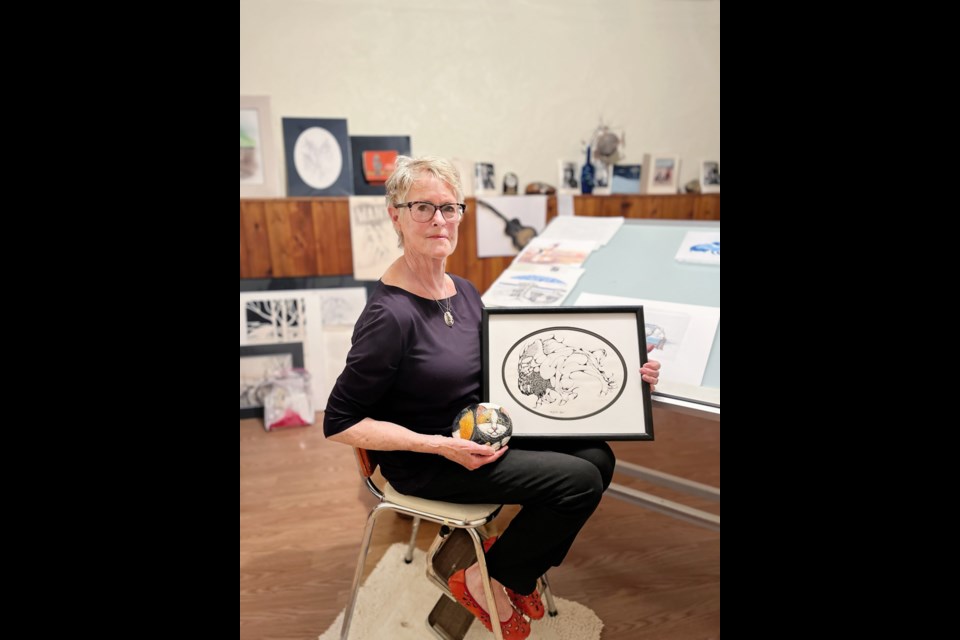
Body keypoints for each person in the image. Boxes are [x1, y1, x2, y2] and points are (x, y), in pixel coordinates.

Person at [324, 156, 661, 639]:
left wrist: (626, 374)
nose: (439, 219)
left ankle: (506, 567)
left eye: (449, 207)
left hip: (480, 430)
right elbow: (339, 423)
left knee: (598, 458)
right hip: (433, 458)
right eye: (422, 207)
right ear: (395, 215)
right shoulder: (389, 317)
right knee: (579, 483)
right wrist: (441, 446)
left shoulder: (461, 292)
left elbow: (500, 375)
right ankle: (492, 579)